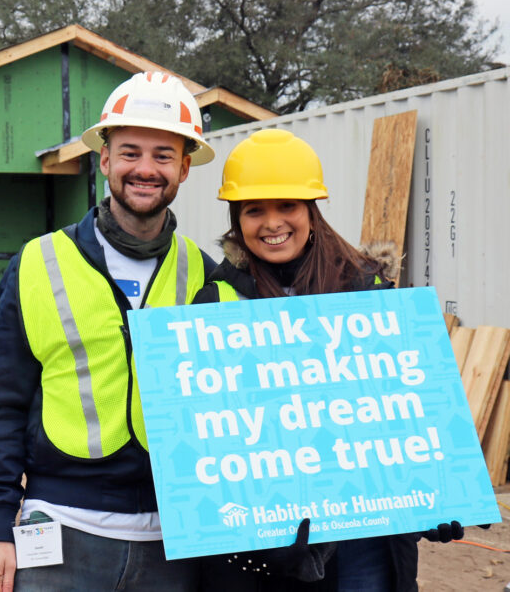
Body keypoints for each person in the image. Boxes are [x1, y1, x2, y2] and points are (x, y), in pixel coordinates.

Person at [0, 71, 218, 592]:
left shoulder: (207, 275)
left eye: (163, 155)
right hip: (58, 533)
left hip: (173, 542)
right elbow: (3, 404)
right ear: (104, 160)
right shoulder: (38, 264)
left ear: (185, 168)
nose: (145, 169)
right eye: (130, 152)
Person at [193, 128, 464, 592]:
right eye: (254, 210)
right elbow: (205, 437)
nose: (272, 223)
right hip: (271, 539)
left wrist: (438, 496)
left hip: (367, 541)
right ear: (237, 220)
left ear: (312, 212)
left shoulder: (369, 292)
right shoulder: (217, 303)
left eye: (288, 206)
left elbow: (413, 410)